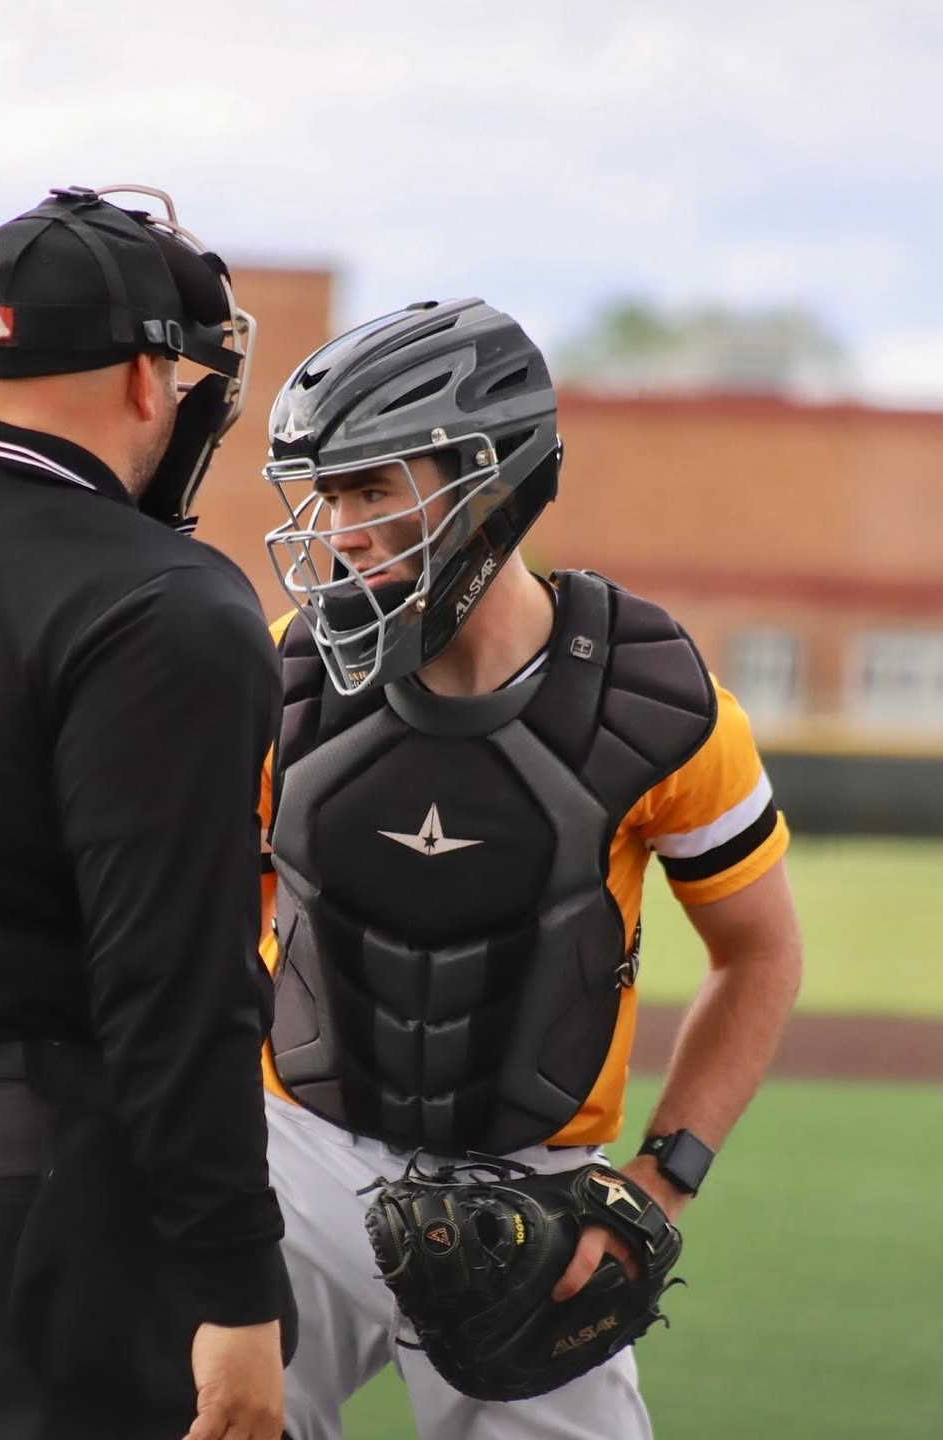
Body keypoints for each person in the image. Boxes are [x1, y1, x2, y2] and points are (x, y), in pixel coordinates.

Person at [257, 299, 803, 1440]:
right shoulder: (285, 680)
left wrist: (660, 1182)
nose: (341, 532)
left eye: (372, 490)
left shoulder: (656, 702)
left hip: (535, 1198)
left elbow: (759, 954)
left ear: (487, 480)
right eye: (328, 495)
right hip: (292, 1165)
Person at [0, 185, 294, 1440]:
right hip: (11, 1190)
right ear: (152, 379)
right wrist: (234, 1282)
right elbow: (174, 981)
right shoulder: (161, 600)